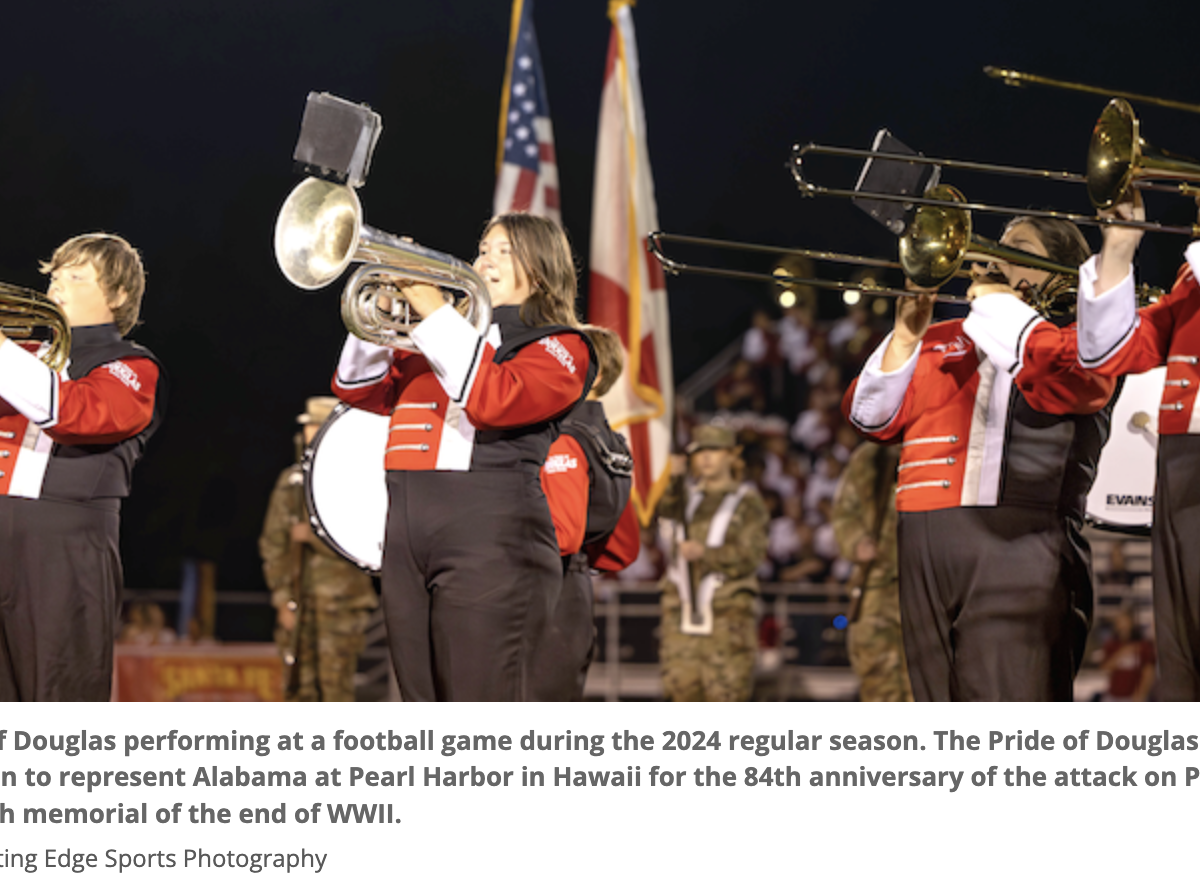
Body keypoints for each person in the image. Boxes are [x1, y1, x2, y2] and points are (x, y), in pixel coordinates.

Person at [843, 216, 1116, 701]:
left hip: (1016, 540)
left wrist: (997, 303)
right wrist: (905, 336)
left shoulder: (1082, 336)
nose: (992, 252)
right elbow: (871, 419)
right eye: (998, 242)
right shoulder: (947, 334)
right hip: (920, 538)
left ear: (1057, 271)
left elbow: (1071, 381)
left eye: (1018, 247)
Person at [332, 213, 594, 701]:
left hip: (491, 535)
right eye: (483, 246)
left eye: (504, 251)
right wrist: (387, 305)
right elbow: (357, 388)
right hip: (407, 533)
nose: (485, 258)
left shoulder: (561, 344)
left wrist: (432, 309)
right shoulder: (442, 337)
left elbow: (495, 399)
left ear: (539, 269)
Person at [1033, 192, 1200, 700]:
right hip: (1178, 454)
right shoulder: (1191, 277)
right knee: (1182, 664)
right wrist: (1121, 247)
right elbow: (1109, 348)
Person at [0, 232, 165, 701]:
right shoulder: (23, 355)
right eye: (54, 275)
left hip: (66, 550)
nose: (57, 286)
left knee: (62, 704)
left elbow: (77, 413)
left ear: (118, 295)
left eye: (76, 276)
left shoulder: (131, 364)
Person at [534, 326, 639, 700]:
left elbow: (561, 536)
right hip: (577, 595)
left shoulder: (562, 438)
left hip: (546, 595)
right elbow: (622, 550)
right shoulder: (616, 442)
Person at [259, 396, 379, 702]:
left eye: (316, 425)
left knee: (336, 689)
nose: (309, 432)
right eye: (308, 425)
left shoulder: (357, 481)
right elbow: (272, 543)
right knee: (298, 689)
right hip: (300, 603)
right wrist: (282, 598)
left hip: (341, 603)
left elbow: (365, 545)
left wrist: (314, 537)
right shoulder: (292, 482)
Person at [657, 424, 769, 702]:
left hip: (727, 622)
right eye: (700, 451)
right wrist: (672, 480)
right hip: (681, 621)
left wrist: (705, 553)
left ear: (732, 455)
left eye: (714, 450)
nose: (706, 457)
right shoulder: (686, 498)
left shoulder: (747, 501)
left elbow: (751, 555)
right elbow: (661, 511)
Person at [831, 441, 913, 702]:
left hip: (928, 583)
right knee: (875, 671)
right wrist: (856, 542)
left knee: (926, 675)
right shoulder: (869, 455)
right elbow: (844, 511)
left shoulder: (941, 442)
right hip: (876, 582)